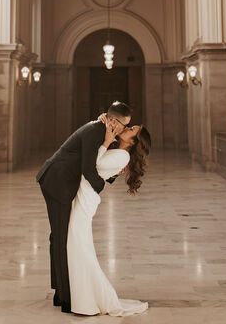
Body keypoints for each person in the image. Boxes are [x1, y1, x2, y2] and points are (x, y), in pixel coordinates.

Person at [36, 101, 132, 314]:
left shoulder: (100, 130)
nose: (123, 130)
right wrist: (97, 191)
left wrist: (114, 172)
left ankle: (60, 291)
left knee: (58, 236)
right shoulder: (96, 130)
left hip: (60, 181)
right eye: (123, 126)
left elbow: (98, 164)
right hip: (57, 181)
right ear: (113, 121)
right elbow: (89, 169)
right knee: (61, 237)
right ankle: (66, 297)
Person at [67, 116, 151, 316]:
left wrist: (105, 142)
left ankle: (88, 300)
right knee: (79, 246)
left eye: (132, 129)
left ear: (133, 141)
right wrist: (103, 122)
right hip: (83, 194)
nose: (128, 128)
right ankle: (83, 298)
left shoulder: (122, 156)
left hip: (85, 199)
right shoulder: (119, 152)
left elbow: (91, 166)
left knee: (80, 247)